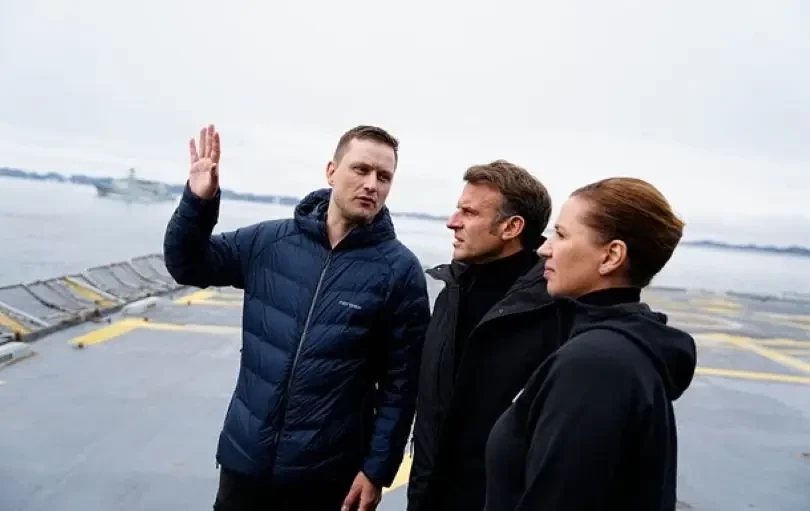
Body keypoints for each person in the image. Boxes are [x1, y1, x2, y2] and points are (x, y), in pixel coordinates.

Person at [163, 124, 431, 511]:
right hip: (244, 464)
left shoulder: (400, 271)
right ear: (331, 171)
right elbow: (188, 265)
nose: (372, 184)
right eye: (361, 169)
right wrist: (198, 202)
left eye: (384, 176)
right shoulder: (270, 243)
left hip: (326, 479)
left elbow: (401, 387)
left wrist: (376, 471)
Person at [483, 177, 698, 510]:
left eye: (561, 234)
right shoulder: (620, 349)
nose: (544, 248)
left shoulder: (595, 366)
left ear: (611, 256)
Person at [406, 160, 565, 511]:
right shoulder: (453, 291)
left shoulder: (553, 311)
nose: (452, 222)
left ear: (511, 227)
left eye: (469, 212)